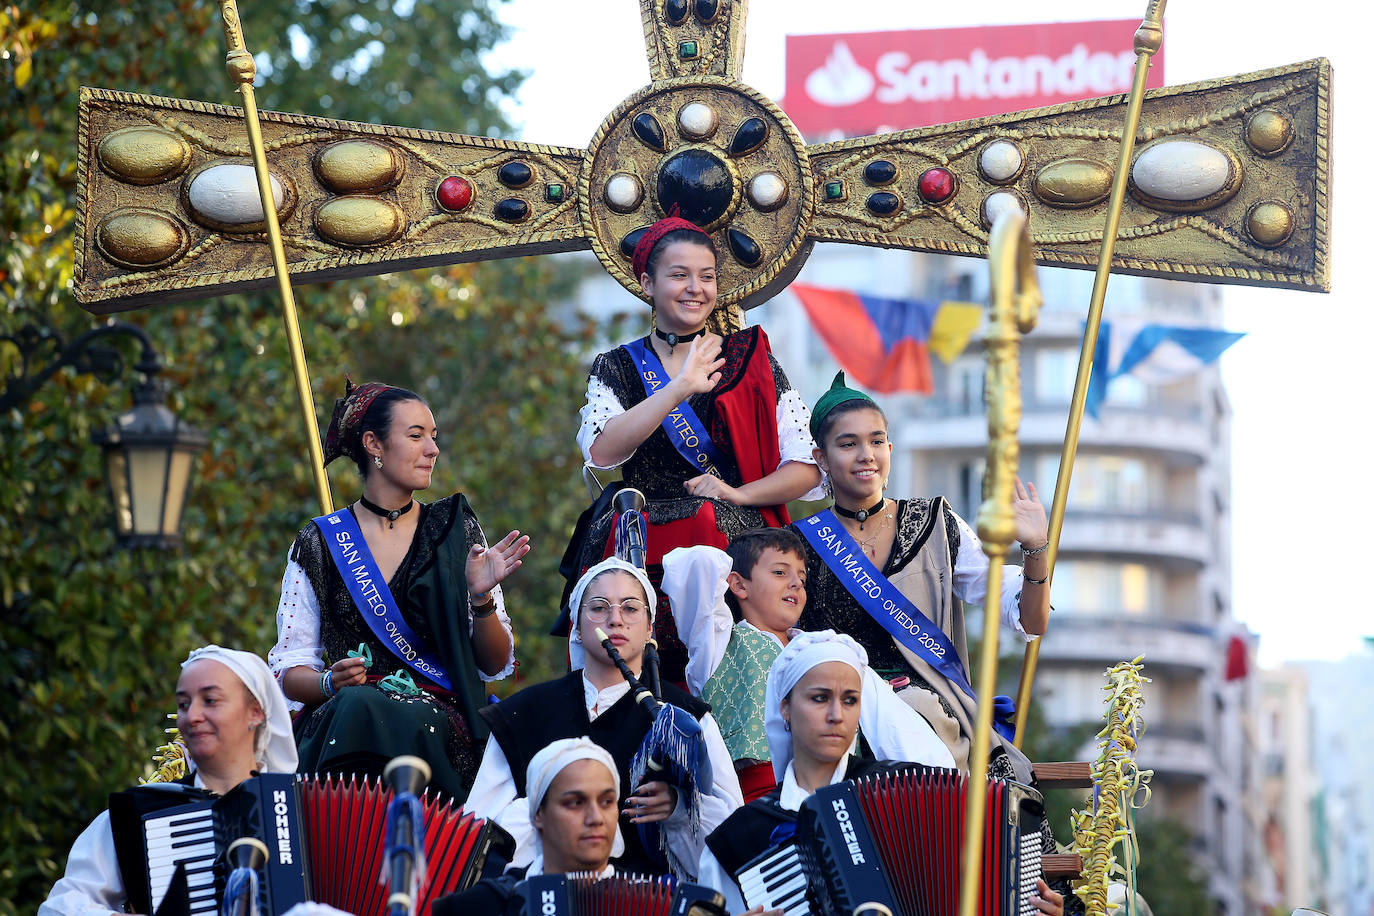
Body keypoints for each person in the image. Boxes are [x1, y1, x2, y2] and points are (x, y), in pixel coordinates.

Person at [567, 215, 824, 682]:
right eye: (679, 275)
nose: (695, 288)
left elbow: (808, 467)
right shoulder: (617, 364)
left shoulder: (749, 359)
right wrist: (679, 387)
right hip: (640, 540)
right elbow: (602, 451)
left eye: (706, 277)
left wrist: (735, 493)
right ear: (647, 282)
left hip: (735, 539)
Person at [269, 380, 530, 802]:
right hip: (346, 720)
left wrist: (481, 599)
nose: (433, 450)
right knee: (357, 707)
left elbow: (494, 662)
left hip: (438, 726)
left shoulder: (453, 530)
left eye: (434, 437)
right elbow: (291, 670)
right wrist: (328, 683)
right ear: (373, 444)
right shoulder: (319, 542)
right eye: (416, 436)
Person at [792, 373, 1051, 781]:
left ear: (890, 449)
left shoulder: (935, 524)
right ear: (821, 458)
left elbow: (1031, 620)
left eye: (876, 441)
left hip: (934, 712)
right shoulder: (800, 544)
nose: (866, 455)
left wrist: (1036, 548)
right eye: (848, 444)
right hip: (840, 718)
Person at [697, 632, 1063, 916]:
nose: (836, 714)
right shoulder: (745, 836)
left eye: (850, 699)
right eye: (819, 698)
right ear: (786, 710)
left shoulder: (911, 789)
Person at [466, 557, 743, 879]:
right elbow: (481, 825)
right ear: (578, 627)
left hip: (651, 899)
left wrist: (680, 809)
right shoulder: (524, 711)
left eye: (630, 608)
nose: (615, 620)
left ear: (649, 627)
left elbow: (730, 833)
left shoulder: (683, 717)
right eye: (598, 607)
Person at [662, 527, 953, 801]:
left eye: (801, 579)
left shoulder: (825, 652)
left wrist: (935, 781)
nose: (795, 584)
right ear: (738, 583)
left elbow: (892, 722)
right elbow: (696, 563)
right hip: (749, 801)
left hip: (829, 795)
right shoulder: (719, 643)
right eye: (779, 572)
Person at [39, 646, 297, 916]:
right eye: (184, 704)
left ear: (255, 712)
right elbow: (58, 907)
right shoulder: (147, 810)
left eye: (210, 700)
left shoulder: (297, 812)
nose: (192, 716)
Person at [433, 738, 623, 916]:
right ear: (538, 814)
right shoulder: (484, 905)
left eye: (607, 801)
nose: (596, 817)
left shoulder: (646, 900)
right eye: (575, 803)